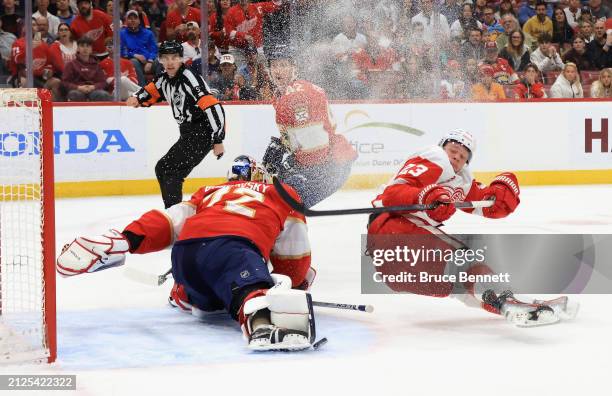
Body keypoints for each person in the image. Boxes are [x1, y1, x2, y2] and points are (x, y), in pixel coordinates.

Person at [56, 156, 318, 351]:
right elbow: (293, 255)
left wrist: (128, 239)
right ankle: (261, 321)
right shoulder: (280, 193)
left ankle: (185, 294)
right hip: (234, 249)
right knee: (252, 292)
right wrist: (292, 283)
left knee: (212, 302)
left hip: (185, 257)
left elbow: (169, 222)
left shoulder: (208, 192)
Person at [367, 129, 572, 326]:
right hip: (393, 230)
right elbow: (393, 194)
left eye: (463, 155)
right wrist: (425, 196)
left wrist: (502, 194)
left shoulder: (460, 180)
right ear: (442, 147)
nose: (457, 156)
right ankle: (509, 302)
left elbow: (488, 205)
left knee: (463, 281)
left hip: (395, 255)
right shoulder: (435, 157)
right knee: (467, 264)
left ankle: (516, 304)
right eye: (453, 150)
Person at [127, 41, 226, 209]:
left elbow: (213, 106)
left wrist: (218, 139)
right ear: (160, 60)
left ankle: (174, 214)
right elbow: (150, 90)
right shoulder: (164, 79)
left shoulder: (189, 78)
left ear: (181, 59)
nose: (170, 62)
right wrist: (137, 98)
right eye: (166, 58)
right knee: (167, 170)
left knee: (167, 169)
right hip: (188, 134)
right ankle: (175, 212)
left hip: (201, 133)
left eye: (174, 58)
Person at [261, 45, 357, 209]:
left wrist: (290, 167)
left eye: (283, 65)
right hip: (332, 161)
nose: (278, 71)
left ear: (294, 68)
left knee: (283, 205)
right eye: (274, 65)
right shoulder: (283, 95)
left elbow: (315, 149)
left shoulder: (296, 95)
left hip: (330, 165)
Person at [61, 36, 113, 102]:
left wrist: (94, 87)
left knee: (104, 95)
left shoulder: (96, 65)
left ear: (91, 49)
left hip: (94, 90)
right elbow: (65, 82)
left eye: (88, 46)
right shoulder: (70, 64)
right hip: (77, 90)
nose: (85, 49)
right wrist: (78, 87)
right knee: (74, 94)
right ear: (77, 49)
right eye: (82, 46)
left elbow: (103, 82)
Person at [120, 9, 157, 85]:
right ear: (126, 21)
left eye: (135, 18)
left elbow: (154, 49)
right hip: (134, 61)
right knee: (134, 62)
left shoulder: (148, 33)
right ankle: (142, 89)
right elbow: (122, 51)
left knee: (161, 60)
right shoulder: (122, 34)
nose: (133, 20)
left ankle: (160, 88)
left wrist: (150, 61)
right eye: (130, 18)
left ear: (139, 21)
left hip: (149, 60)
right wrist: (134, 55)